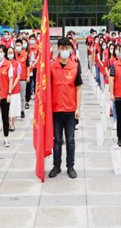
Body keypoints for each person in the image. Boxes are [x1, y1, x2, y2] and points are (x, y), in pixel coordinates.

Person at [49, 38, 83, 179]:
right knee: (57, 139)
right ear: (58, 49)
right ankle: (56, 165)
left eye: (66, 48)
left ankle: (70, 166)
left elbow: (78, 88)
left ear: (70, 49)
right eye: (61, 48)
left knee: (70, 139)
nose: (64, 51)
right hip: (55, 109)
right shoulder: (51, 66)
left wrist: (78, 108)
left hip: (70, 109)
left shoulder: (75, 66)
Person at [110, 45, 121, 146]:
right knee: (120, 118)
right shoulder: (115, 64)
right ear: (119, 53)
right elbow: (111, 78)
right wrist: (111, 93)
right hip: (119, 95)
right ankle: (120, 137)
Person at [6, 46, 22, 131]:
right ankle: (8, 123)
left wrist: (12, 86)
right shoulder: (5, 63)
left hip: (15, 89)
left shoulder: (17, 63)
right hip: (6, 89)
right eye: (8, 53)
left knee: (14, 107)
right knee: (8, 108)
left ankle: (13, 124)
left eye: (11, 52)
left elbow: (18, 76)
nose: (10, 54)